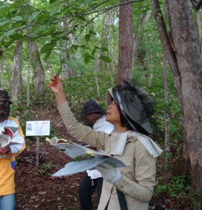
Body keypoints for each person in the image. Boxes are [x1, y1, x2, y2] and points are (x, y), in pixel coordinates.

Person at [49, 76, 163, 210]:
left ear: (126, 111)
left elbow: (146, 194)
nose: (109, 106)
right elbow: (75, 129)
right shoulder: (109, 138)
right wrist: (59, 94)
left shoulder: (140, 145)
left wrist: (117, 178)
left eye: (114, 103)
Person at [79, 100, 114, 210]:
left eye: (94, 113)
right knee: (83, 191)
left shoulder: (107, 124)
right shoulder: (94, 126)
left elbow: (108, 142)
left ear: (99, 112)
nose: (92, 116)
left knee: (103, 197)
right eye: (89, 114)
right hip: (94, 166)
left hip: (106, 165)